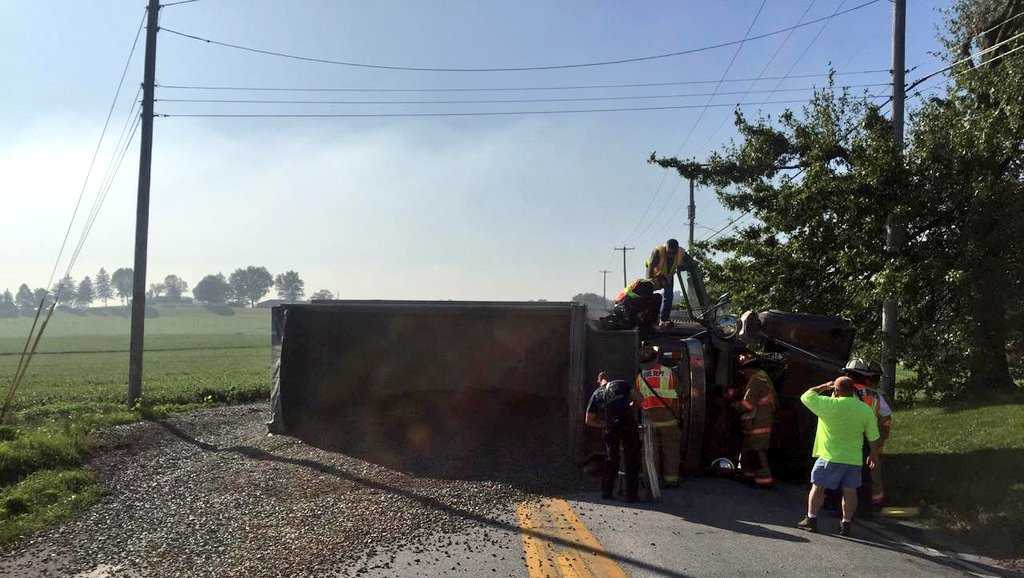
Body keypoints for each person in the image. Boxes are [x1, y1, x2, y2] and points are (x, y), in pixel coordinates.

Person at [798, 376, 880, 536]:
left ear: (836, 390)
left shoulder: (828, 404)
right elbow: (873, 436)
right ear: (853, 390)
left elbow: (806, 396)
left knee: (818, 487)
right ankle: (846, 524)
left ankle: (811, 519)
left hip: (828, 457)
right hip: (853, 459)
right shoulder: (864, 409)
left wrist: (824, 386)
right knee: (850, 492)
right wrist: (873, 454)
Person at [842, 358, 893, 508]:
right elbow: (886, 419)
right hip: (869, 440)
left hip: (847, 438)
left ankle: (840, 504)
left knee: (843, 470)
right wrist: (881, 440)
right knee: (868, 473)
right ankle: (870, 505)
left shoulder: (843, 391)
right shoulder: (877, 396)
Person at [586, 372, 642, 501]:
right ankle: (631, 495)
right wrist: (630, 406)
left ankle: (607, 492)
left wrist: (604, 424)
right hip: (628, 424)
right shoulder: (622, 384)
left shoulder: (596, 394)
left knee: (611, 459)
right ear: (611, 379)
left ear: (599, 381)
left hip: (611, 427)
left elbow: (589, 420)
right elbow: (640, 399)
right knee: (632, 458)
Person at [635, 344, 683, 487]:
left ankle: (651, 481)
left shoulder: (640, 377)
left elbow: (637, 399)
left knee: (650, 452)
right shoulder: (669, 373)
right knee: (671, 450)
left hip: (648, 420)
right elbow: (679, 393)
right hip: (668, 418)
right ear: (656, 359)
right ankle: (671, 480)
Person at [733, 354, 777, 488]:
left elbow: (747, 405)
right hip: (760, 421)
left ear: (749, 369)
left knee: (757, 451)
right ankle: (748, 476)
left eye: (744, 371)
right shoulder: (764, 378)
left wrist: (734, 405)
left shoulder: (756, 380)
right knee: (749, 449)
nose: (743, 374)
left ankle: (764, 481)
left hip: (758, 423)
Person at [645, 238, 687, 328]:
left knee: (669, 296)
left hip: (668, 276)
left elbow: (690, 262)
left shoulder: (681, 252)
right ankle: (647, 318)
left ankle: (664, 319)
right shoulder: (658, 251)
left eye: (673, 253)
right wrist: (650, 281)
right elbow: (651, 267)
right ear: (666, 248)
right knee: (647, 294)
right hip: (655, 274)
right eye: (669, 252)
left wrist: (688, 266)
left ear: (676, 250)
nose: (671, 255)